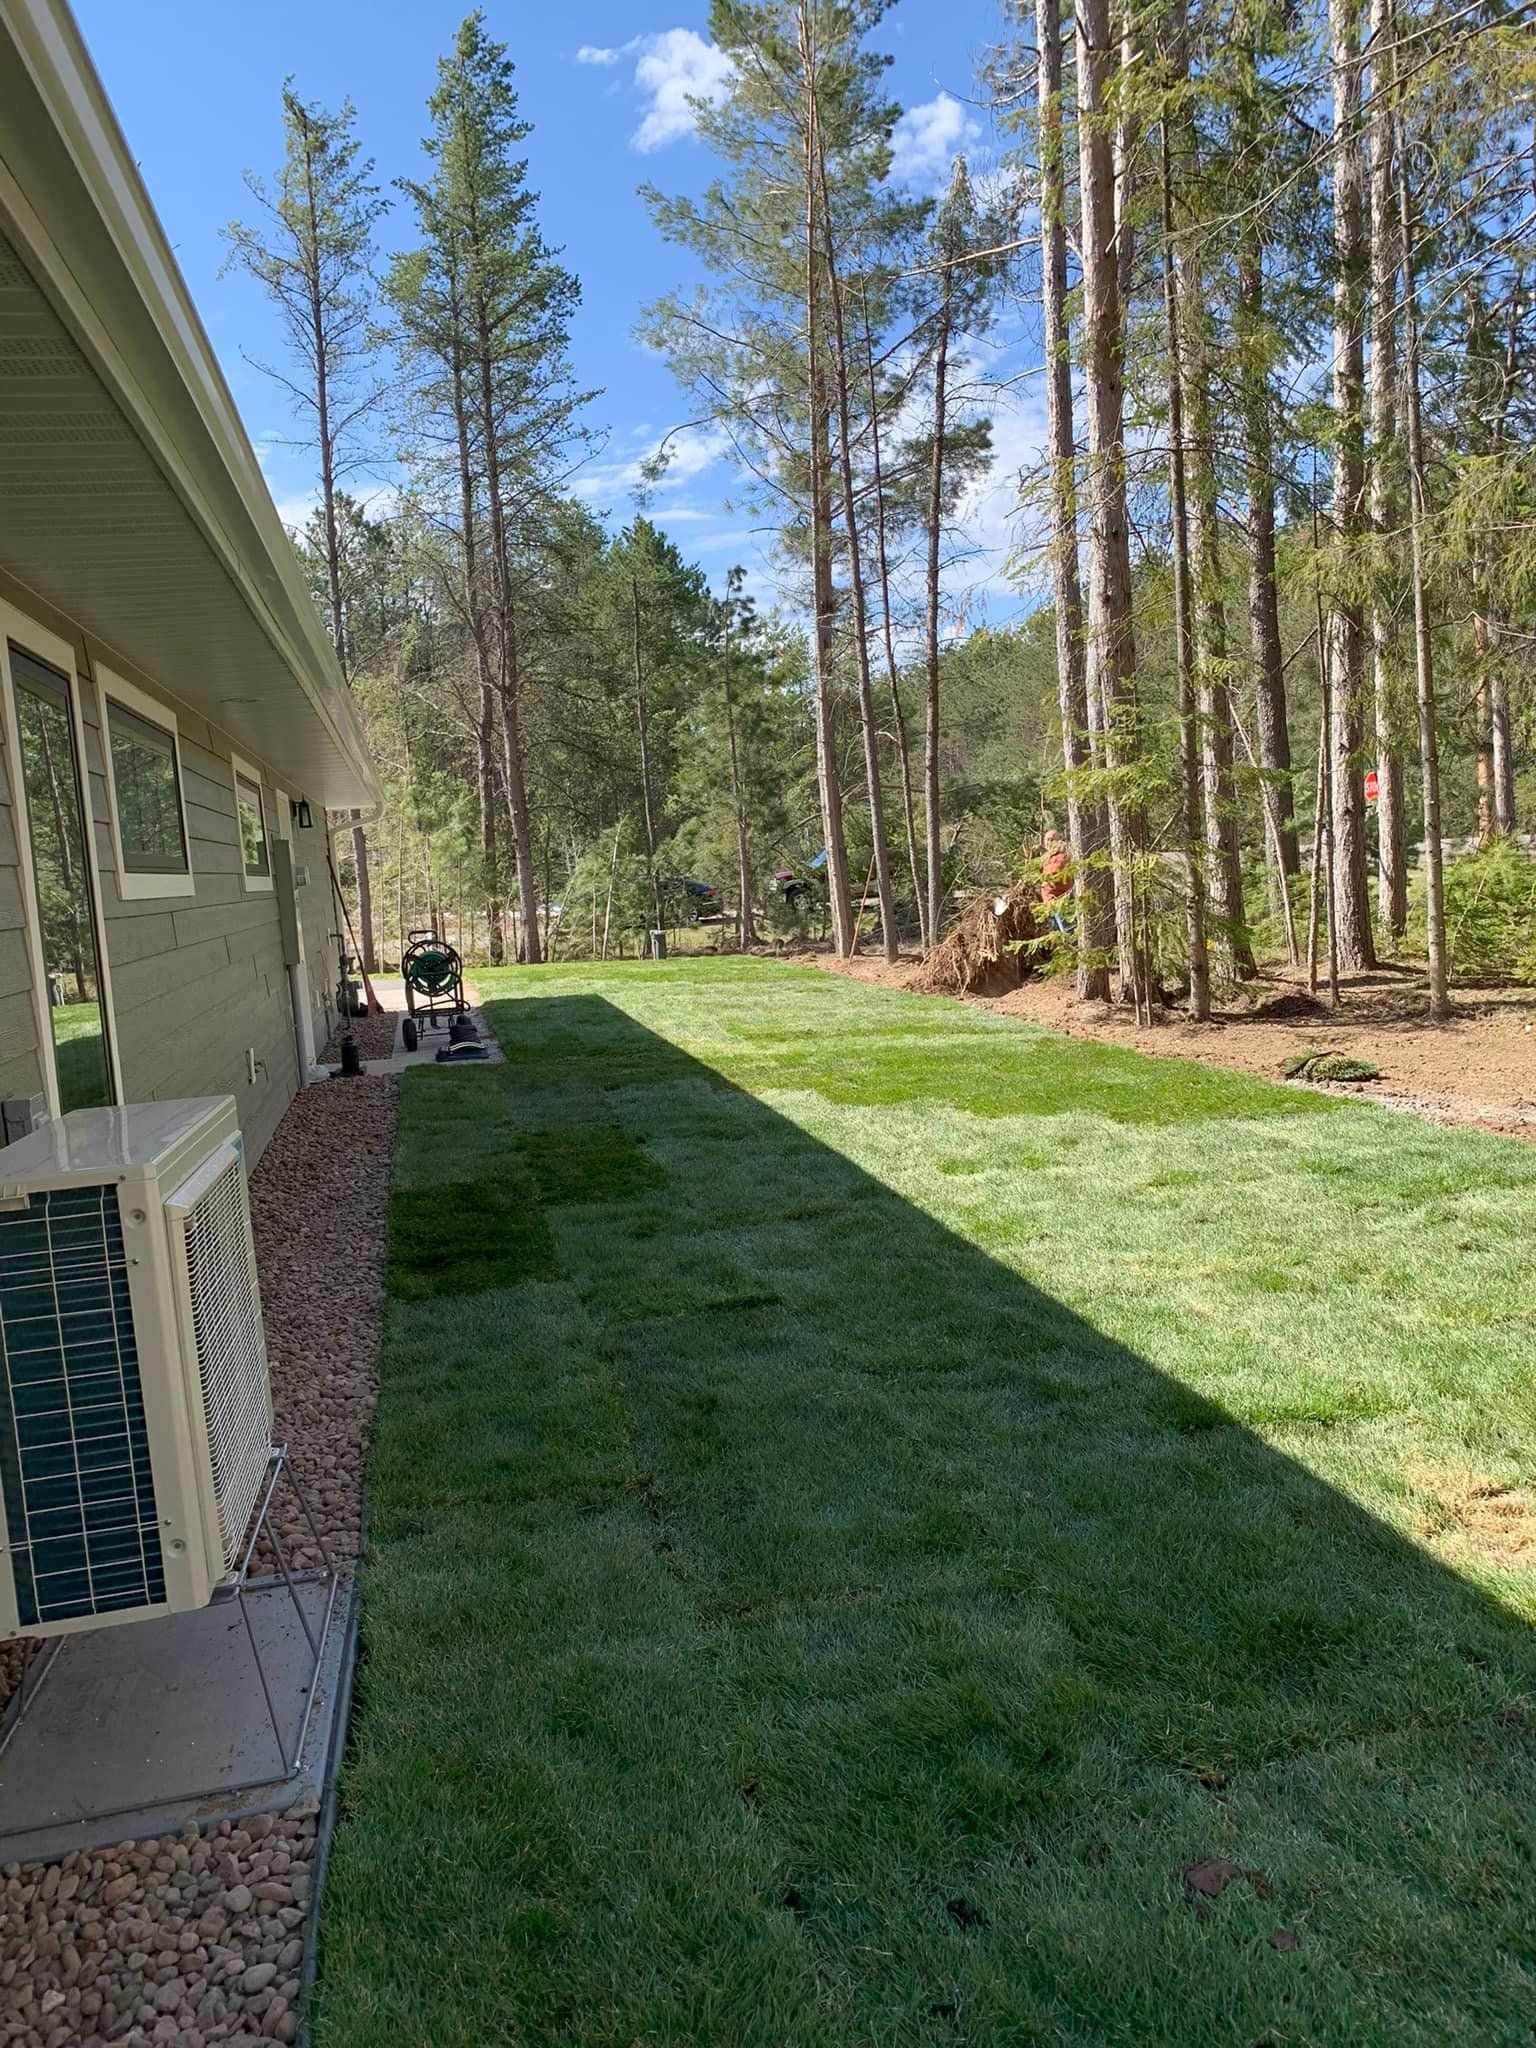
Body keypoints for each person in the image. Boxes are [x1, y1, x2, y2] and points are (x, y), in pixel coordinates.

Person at [1040, 829, 1073, 934]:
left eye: (1052, 840)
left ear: (1058, 841)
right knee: (1056, 933)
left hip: (1060, 901)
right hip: (1050, 902)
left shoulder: (1061, 857)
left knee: (1066, 931)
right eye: (1047, 839)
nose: (1049, 842)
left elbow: (1055, 874)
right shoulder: (1048, 858)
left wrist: (1044, 880)